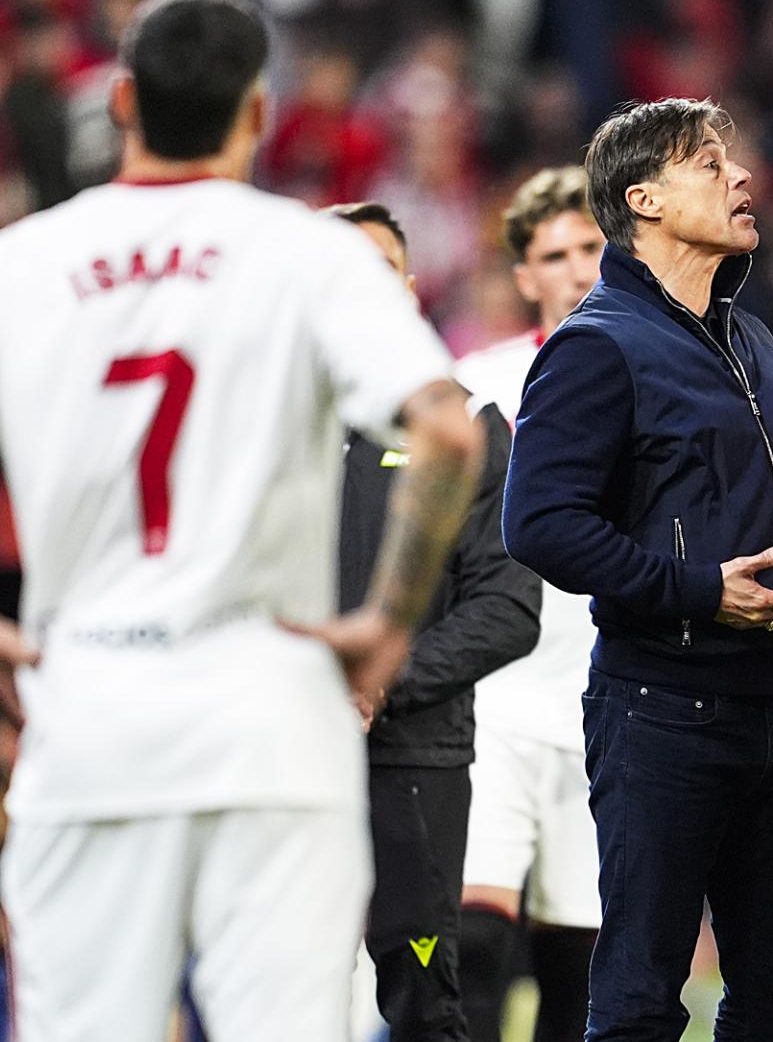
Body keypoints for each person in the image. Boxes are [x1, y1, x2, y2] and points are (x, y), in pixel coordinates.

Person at [0, 0, 483, 1042]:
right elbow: (445, 429)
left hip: (91, 719)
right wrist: (388, 619)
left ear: (120, 102)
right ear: (256, 112)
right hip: (270, 723)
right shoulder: (307, 256)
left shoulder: (23, 261)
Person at [502, 98, 773, 1042]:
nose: (741, 176)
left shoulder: (747, 335)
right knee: (638, 998)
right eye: (711, 164)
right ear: (646, 200)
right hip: (661, 712)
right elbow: (539, 524)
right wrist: (699, 591)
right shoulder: (596, 343)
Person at [328, 200, 543, 1042]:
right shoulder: (261, 427)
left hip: (412, 757)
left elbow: (508, 608)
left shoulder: (470, 427)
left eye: (379, 268)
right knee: (267, 994)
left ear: (410, 288)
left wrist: (381, 682)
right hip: (275, 750)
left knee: (421, 995)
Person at [451, 167, 605, 1042]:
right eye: (555, 254)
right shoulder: (476, 384)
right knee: (470, 942)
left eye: (591, 246)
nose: (578, 268)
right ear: (524, 277)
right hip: (495, 699)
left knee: (577, 972)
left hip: (606, 701)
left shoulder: (662, 370)